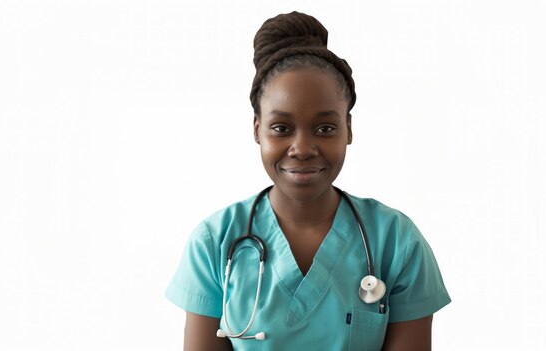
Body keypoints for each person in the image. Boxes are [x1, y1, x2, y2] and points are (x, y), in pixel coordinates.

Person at [165, 11, 451, 351]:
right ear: (257, 130)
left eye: (325, 128)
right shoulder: (213, 243)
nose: (302, 149)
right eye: (281, 128)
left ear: (349, 129)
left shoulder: (397, 242)